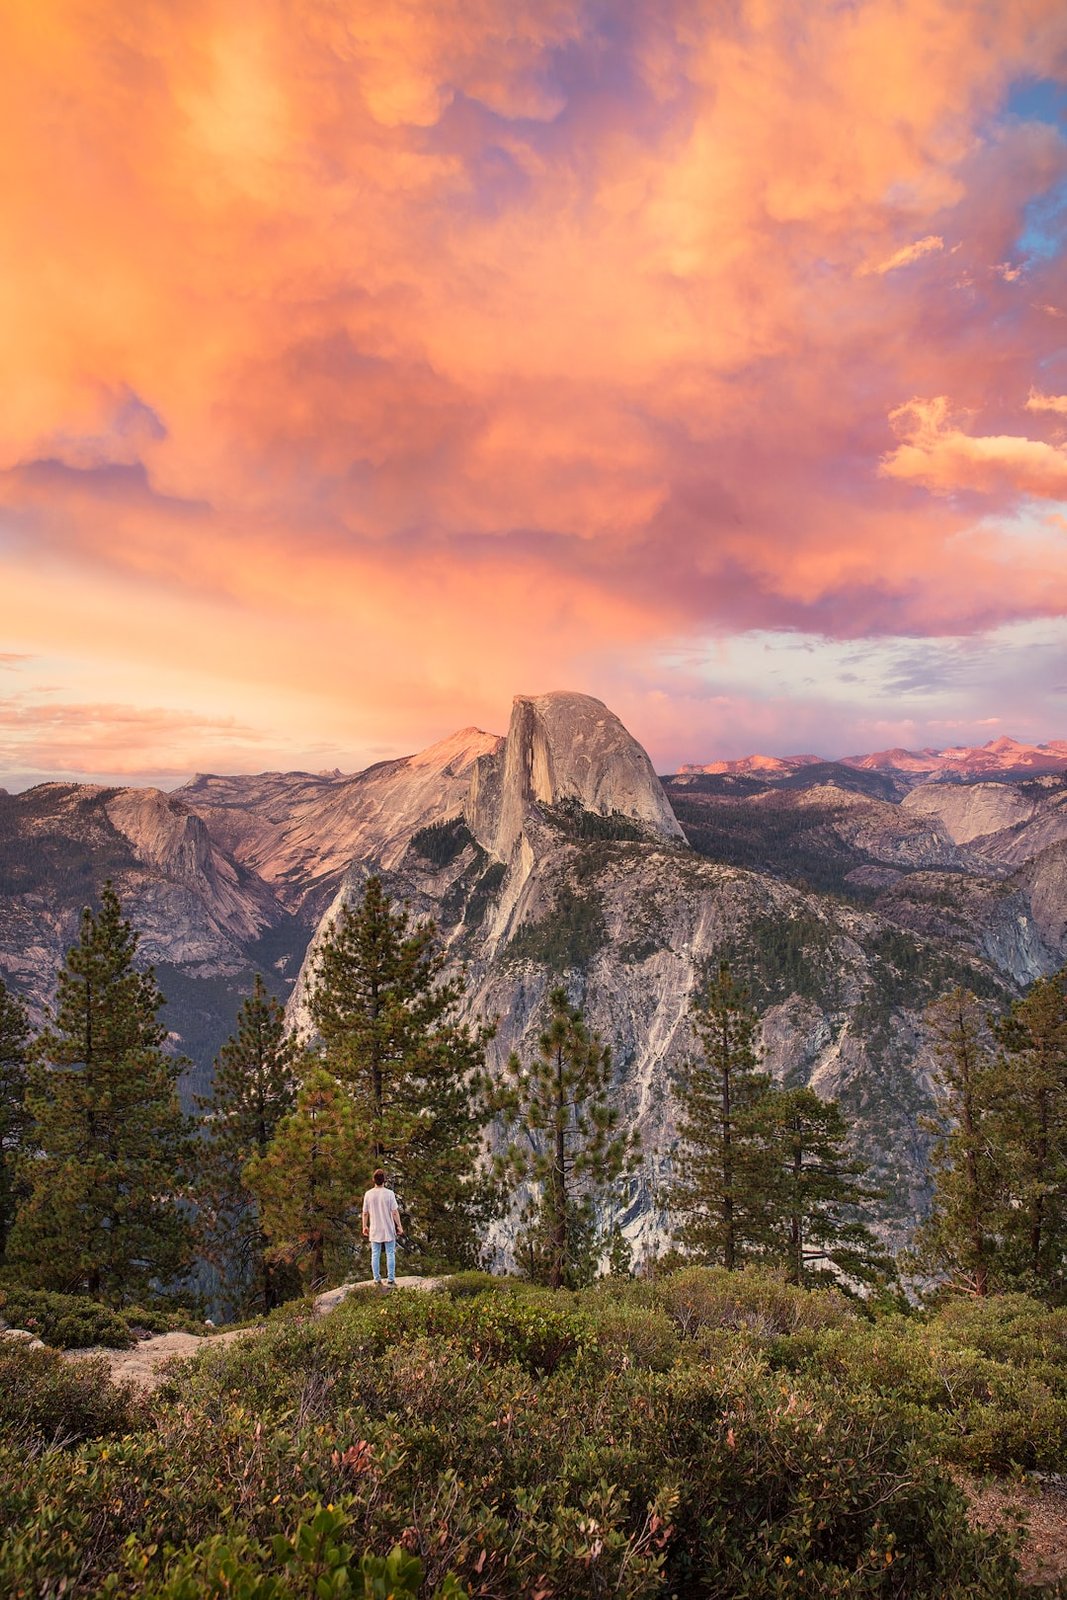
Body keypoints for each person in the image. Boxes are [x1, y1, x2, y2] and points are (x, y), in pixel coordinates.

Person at [362, 1168, 403, 1288]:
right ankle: (391, 1279)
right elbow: (394, 1212)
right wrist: (399, 1226)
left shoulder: (368, 1194)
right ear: (384, 1180)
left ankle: (376, 1279)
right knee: (390, 1253)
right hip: (388, 1228)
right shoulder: (389, 1194)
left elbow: (365, 1212)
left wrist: (364, 1226)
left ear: (373, 1180)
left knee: (375, 1254)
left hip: (375, 1228)